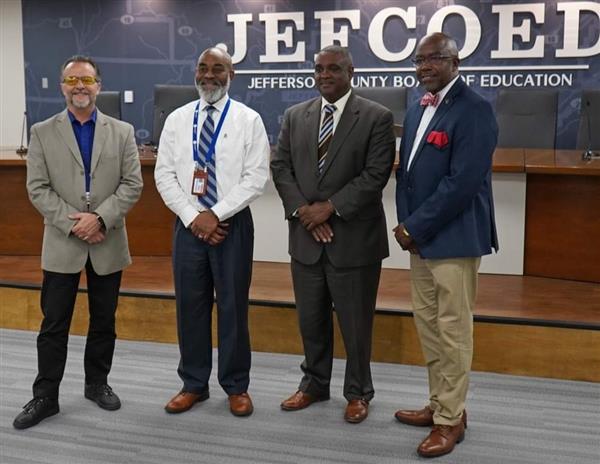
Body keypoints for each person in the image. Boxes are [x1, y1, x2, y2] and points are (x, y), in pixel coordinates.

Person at [14, 56, 143, 429]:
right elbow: (37, 188)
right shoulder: (42, 131)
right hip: (62, 240)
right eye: (71, 79)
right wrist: (76, 224)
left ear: (99, 85)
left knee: (104, 320)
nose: (79, 86)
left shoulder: (122, 131)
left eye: (86, 79)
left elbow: (132, 184)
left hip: (108, 239)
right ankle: (45, 397)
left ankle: (97, 383)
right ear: (62, 86)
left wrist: (99, 218)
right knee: (54, 323)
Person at [271, 45, 396, 424]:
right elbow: (281, 167)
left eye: (333, 69)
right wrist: (305, 213)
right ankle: (314, 384)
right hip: (306, 239)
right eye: (319, 69)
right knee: (311, 319)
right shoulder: (296, 116)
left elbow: (376, 175)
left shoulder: (376, 116)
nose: (324, 75)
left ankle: (358, 392)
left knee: (356, 324)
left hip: (355, 241)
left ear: (350, 71)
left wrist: (330, 208)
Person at [393, 32, 498, 457]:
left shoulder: (475, 110)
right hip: (421, 239)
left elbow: (462, 184)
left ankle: (450, 420)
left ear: (456, 61)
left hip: (452, 237)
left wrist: (413, 227)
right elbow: (409, 174)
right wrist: (408, 226)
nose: (424, 67)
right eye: (419, 61)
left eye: (434, 59)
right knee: (431, 328)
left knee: (453, 331)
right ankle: (442, 404)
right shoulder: (419, 107)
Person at [154, 47, 269, 417]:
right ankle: (193, 384)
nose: (209, 75)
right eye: (202, 68)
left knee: (234, 306)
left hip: (231, 225)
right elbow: (164, 175)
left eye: (217, 68)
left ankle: (236, 386)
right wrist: (193, 217)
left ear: (231, 73)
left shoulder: (249, 120)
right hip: (188, 226)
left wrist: (214, 214)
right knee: (190, 306)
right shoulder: (176, 119)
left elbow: (255, 178)